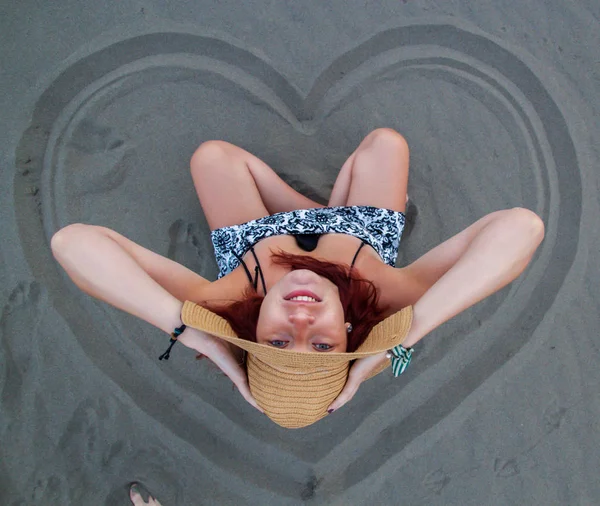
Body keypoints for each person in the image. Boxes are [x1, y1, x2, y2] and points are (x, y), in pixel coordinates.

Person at [51, 128, 545, 427]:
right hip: (358, 232)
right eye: (323, 346)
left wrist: (196, 337)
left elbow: (72, 243)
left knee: (212, 157)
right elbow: (521, 227)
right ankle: (327, 213)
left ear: (252, 335)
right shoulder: (390, 298)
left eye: (281, 342)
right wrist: (406, 334)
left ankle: (312, 210)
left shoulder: (222, 300)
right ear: (351, 336)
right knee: (384, 144)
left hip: (258, 235)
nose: (301, 317)